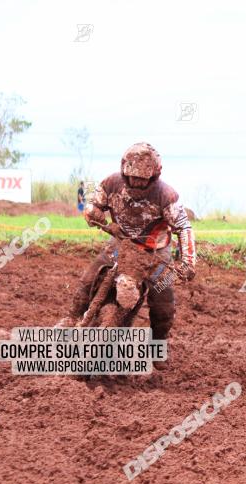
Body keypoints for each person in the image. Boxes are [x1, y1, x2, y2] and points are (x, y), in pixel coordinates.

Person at [65, 143, 196, 359]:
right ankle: (70, 319)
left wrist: (188, 261)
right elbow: (93, 204)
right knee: (88, 279)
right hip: (120, 244)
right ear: (123, 171)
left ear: (154, 176)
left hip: (155, 254)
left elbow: (184, 227)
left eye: (143, 179)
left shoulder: (166, 195)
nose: (137, 182)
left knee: (163, 301)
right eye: (132, 177)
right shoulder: (111, 183)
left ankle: (158, 346)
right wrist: (92, 212)